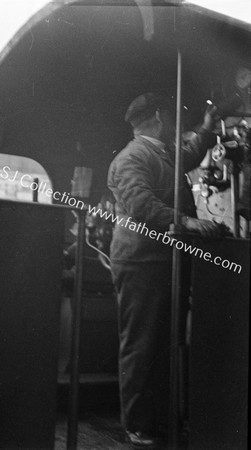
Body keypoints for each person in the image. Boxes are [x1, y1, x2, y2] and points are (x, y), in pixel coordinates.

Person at [107, 92, 226, 448]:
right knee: (142, 344)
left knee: (161, 345)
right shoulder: (132, 158)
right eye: (172, 116)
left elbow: (188, 154)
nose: (176, 122)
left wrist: (206, 130)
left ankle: (157, 421)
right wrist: (187, 221)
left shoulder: (160, 152)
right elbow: (142, 205)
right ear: (159, 117)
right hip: (141, 259)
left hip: (163, 259)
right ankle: (139, 425)